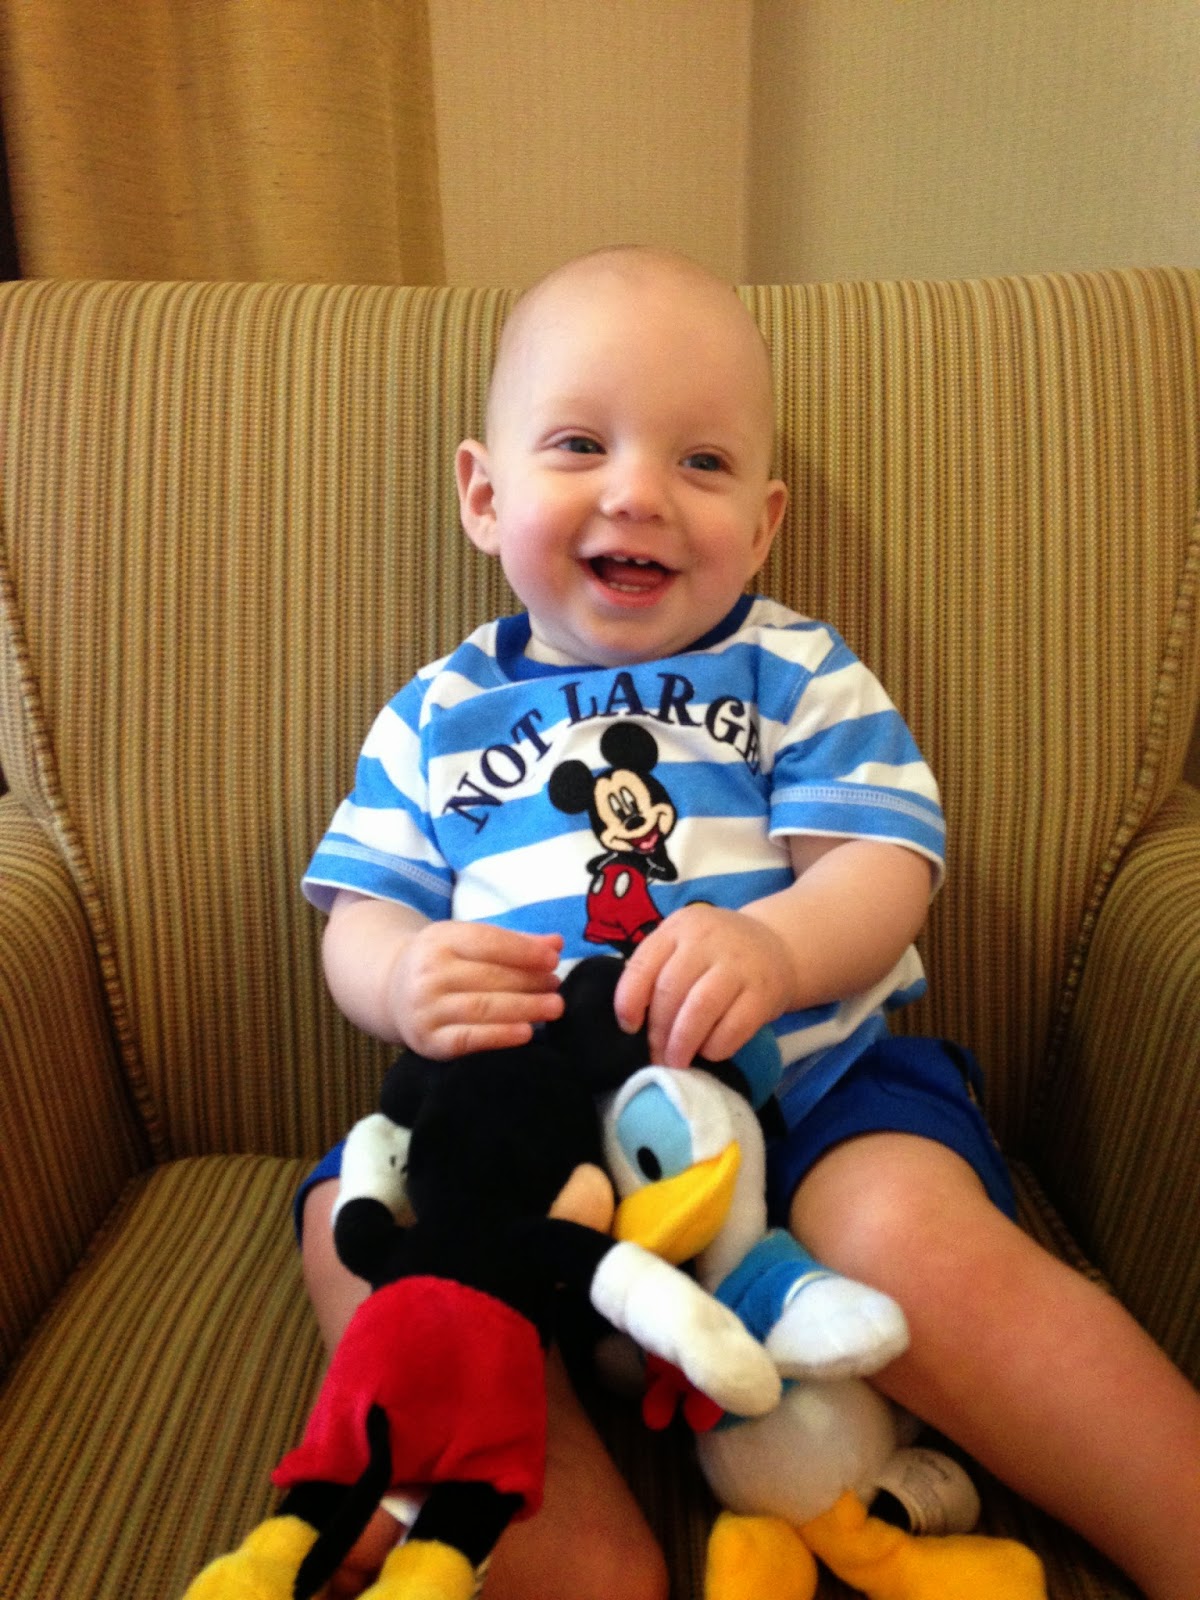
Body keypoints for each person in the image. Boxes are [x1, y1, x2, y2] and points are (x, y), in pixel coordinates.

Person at [299, 246, 1200, 1600]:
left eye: (703, 462)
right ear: (484, 495)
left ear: (765, 523)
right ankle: (559, 1536)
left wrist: (778, 948)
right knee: (360, 1226)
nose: (637, 492)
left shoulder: (791, 668)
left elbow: (885, 863)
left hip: (809, 1096)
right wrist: (402, 975)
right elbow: (359, 912)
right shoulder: (435, 714)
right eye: (580, 445)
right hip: (520, 1135)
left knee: (909, 1236)